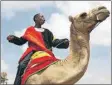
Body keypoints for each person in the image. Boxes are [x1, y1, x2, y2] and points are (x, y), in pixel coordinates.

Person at [7, 13, 69, 85]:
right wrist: (13, 38)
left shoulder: (48, 32)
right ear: (36, 19)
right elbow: (21, 41)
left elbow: (54, 41)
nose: (44, 18)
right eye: (42, 17)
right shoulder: (30, 30)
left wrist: (64, 42)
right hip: (33, 52)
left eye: (44, 17)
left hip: (46, 53)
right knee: (21, 65)